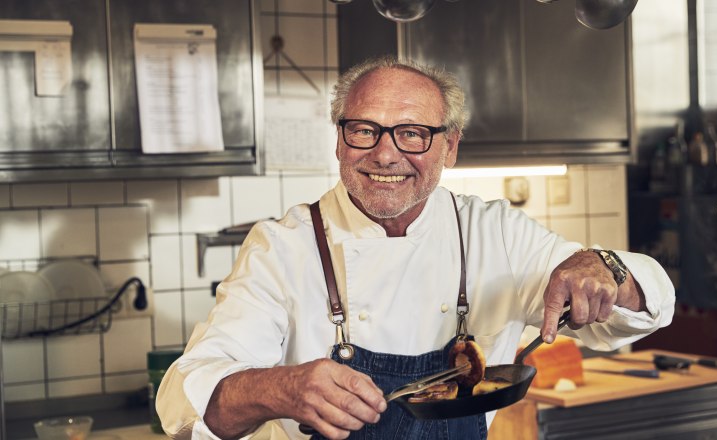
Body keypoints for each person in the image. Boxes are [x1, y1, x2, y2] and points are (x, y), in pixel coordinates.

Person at [157, 56, 675, 440]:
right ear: (339, 141)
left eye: (412, 134)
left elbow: (638, 312)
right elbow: (184, 399)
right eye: (364, 130)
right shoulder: (282, 247)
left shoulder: (494, 233)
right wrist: (280, 389)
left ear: (449, 146)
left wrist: (606, 268)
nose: (385, 154)